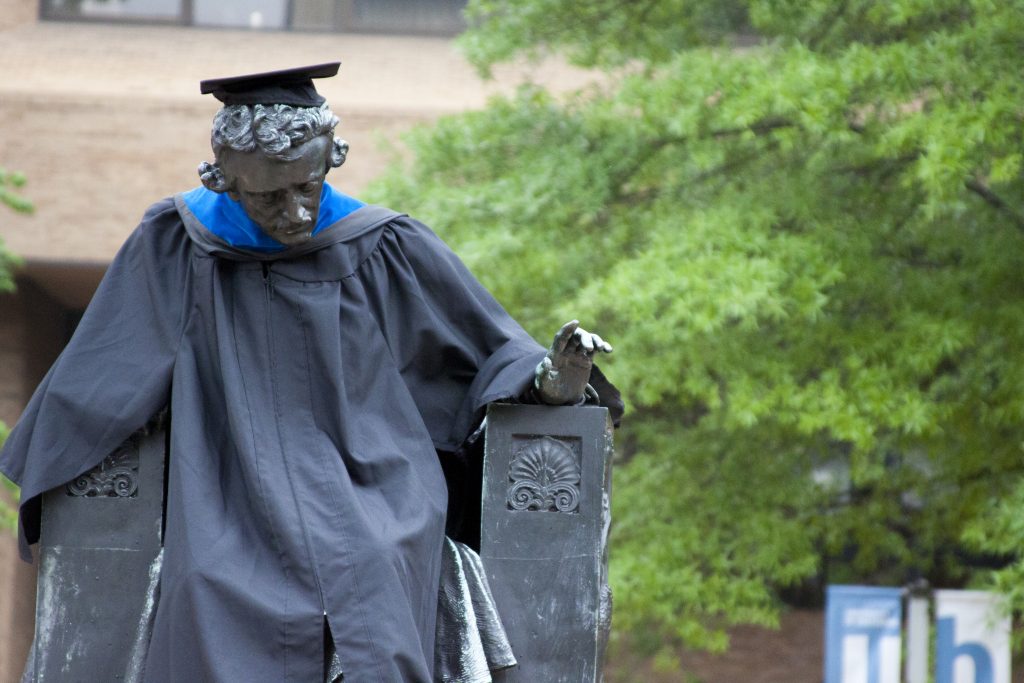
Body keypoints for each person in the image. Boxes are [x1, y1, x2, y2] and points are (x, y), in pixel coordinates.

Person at [0, 63, 621, 682]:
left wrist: (548, 378)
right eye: (270, 196)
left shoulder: (382, 243)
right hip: (226, 484)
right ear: (225, 182)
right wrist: (59, 452)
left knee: (380, 562)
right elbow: (107, 369)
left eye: (310, 185)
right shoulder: (178, 244)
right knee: (206, 581)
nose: (297, 213)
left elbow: (483, 345)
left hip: (376, 480)